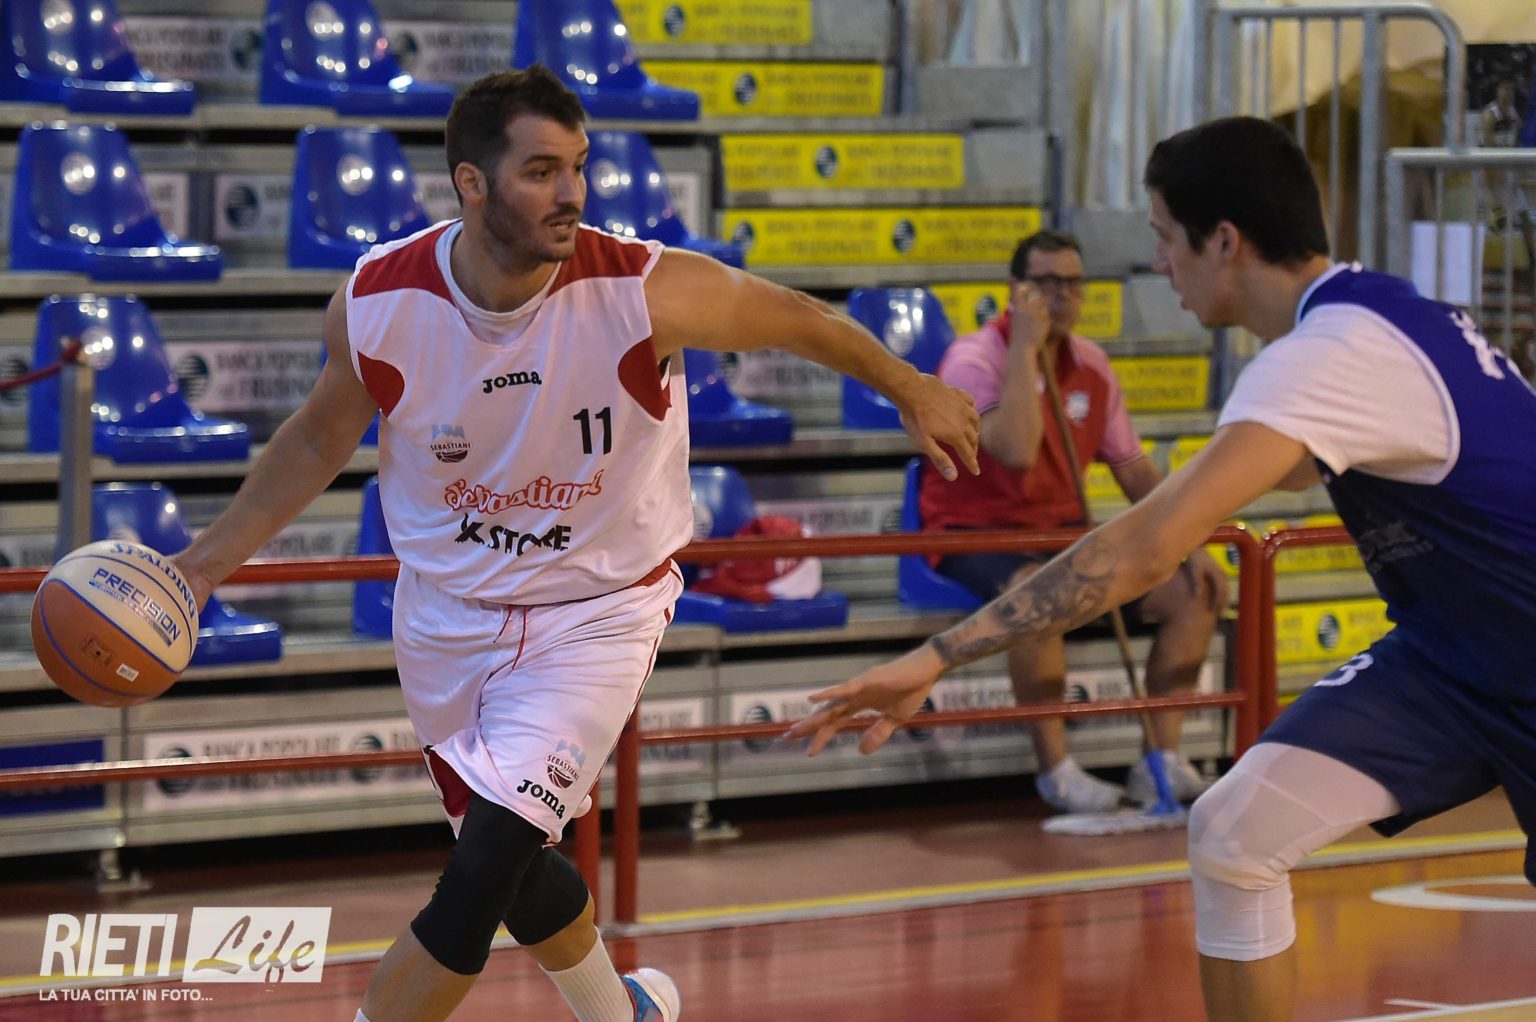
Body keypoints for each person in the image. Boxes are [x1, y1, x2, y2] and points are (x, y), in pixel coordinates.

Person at [172, 65, 980, 1022]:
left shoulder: (641, 288)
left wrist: (909, 385)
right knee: (514, 870)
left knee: (476, 882)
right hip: (444, 619)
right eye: (541, 171)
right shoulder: (379, 300)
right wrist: (198, 569)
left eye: (579, 167)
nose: (572, 193)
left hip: (595, 617)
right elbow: (317, 438)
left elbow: (793, 318)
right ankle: (623, 1014)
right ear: (472, 184)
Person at [789, 115, 1536, 1022]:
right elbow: (1271, 474)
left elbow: (1143, 547)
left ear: (1224, 241)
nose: (1157, 263)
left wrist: (938, 656)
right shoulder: (1375, 322)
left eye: (1164, 236)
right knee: (1233, 831)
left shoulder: (1332, 352)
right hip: (1452, 662)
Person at [920, 229, 1227, 813]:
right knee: (1038, 593)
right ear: (1015, 290)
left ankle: (1161, 759)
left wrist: (1192, 543)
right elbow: (1016, 449)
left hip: (1061, 535)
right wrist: (1025, 351)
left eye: (1073, 283)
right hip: (975, 534)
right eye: (1046, 283)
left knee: (1192, 591)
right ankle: (1056, 771)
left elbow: (1135, 472)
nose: (1062, 295)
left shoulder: (1092, 365)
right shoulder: (973, 360)